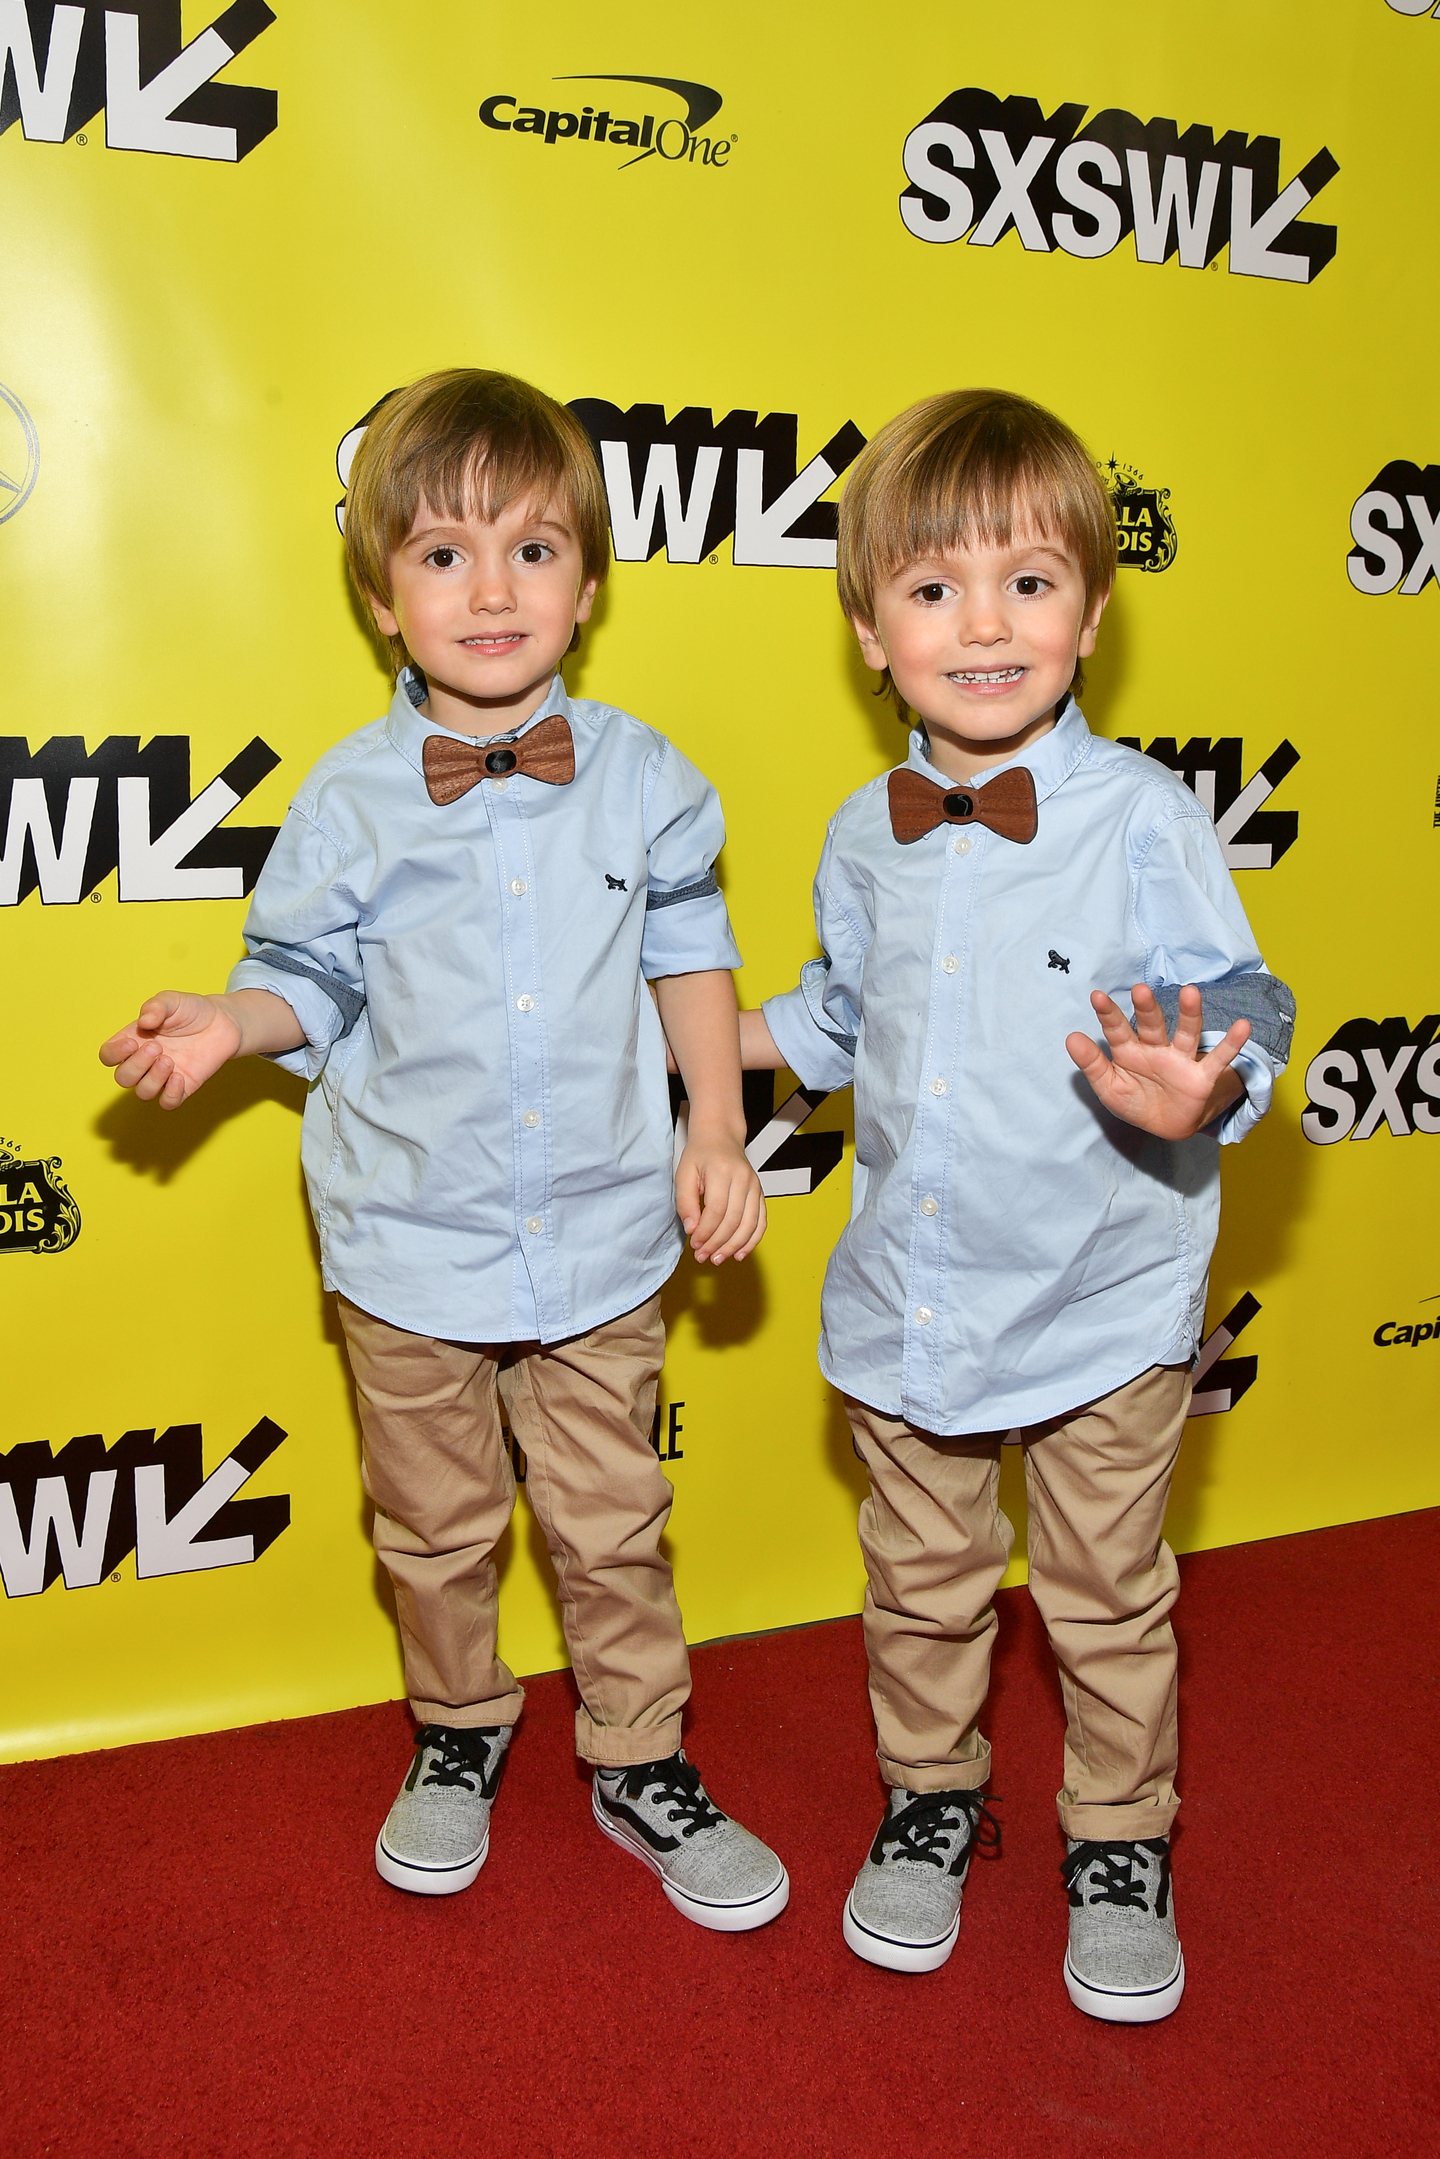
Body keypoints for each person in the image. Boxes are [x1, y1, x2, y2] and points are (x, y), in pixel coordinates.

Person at [100, 368, 789, 1934]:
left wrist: (719, 1134)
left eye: (533, 550)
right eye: (443, 554)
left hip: (606, 1232)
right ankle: (459, 1735)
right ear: (377, 593)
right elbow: (313, 983)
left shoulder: (645, 774)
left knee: (615, 1525)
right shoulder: (344, 801)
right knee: (433, 1529)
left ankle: (638, 1758)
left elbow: (692, 963)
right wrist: (230, 1023)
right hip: (406, 1240)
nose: (493, 590)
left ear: (591, 582)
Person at [739, 388, 1293, 2017]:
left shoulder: (1141, 817)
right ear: (869, 629)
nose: (984, 626)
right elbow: (839, 1020)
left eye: (1028, 584)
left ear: (1093, 614)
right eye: (933, 589)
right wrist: (687, 1032)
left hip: (1106, 1296)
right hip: (914, 1300)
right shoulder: (862, 834)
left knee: (1109, 1595)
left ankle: (1121, 1835)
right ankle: (930, 1799)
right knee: (919, 1584)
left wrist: (1214, 1079)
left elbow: (1241, 1001)